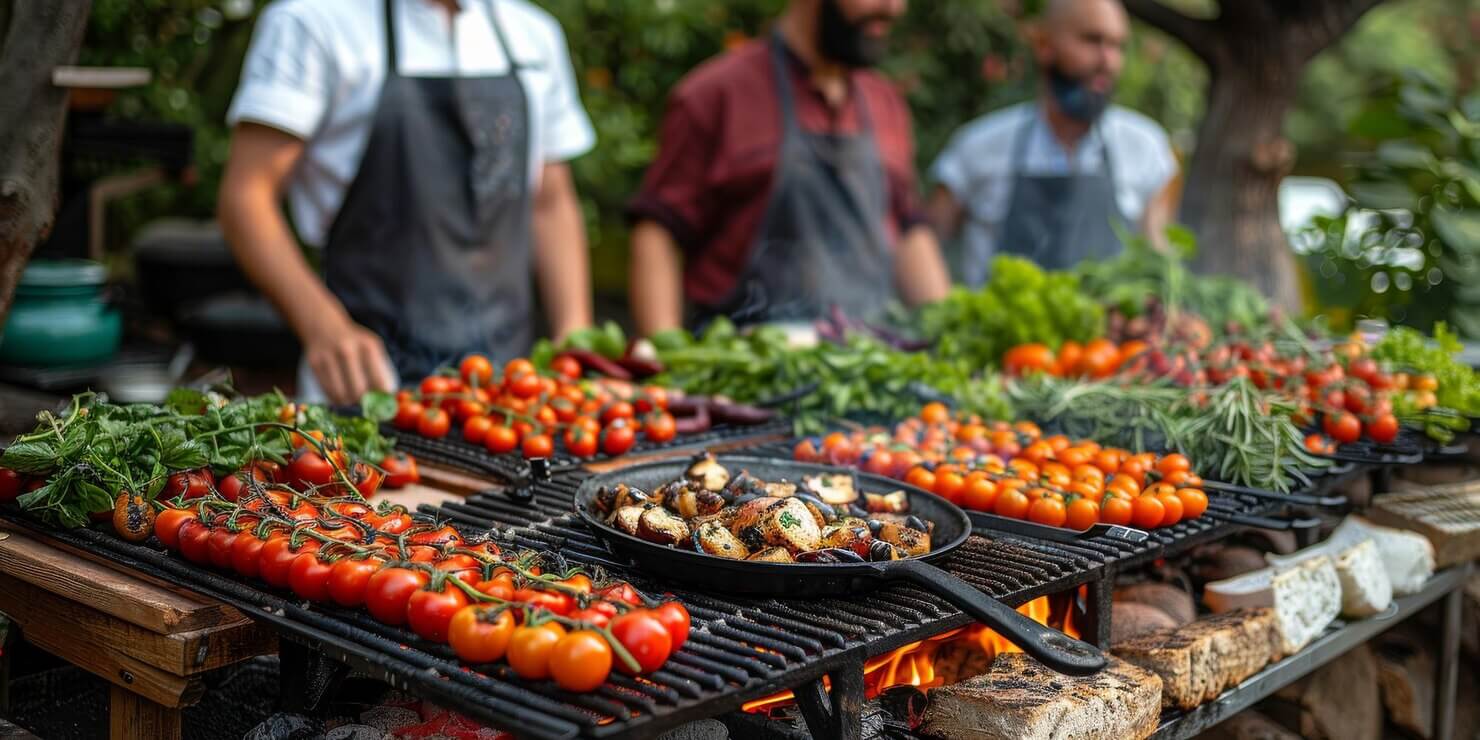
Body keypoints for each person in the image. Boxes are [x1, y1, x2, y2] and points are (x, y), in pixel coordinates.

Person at [218, 0, 595, 404]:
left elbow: (551, 202)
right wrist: (324, 327)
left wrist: (573, 338)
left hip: (510, 394)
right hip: (366, 386)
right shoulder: (311, 24)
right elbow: (246, 197)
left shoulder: (533, 33)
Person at [626, 0, 950, 335]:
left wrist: (951, 334)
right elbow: (658, 231)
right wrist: (662, 355)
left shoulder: (885, 103)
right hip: (741, 364)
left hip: (865, 363)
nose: (893, 7)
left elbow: (909, 229)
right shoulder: (715, 95)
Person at [926, 0, 1179, 285]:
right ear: (1044, 45)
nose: (1108, 61)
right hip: (999, 328)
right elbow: (924, 245)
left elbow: (1157, 259)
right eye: (1092, 40)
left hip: (1109, 330)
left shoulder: (1145, 148)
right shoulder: (977, 147)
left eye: (1118, 46)